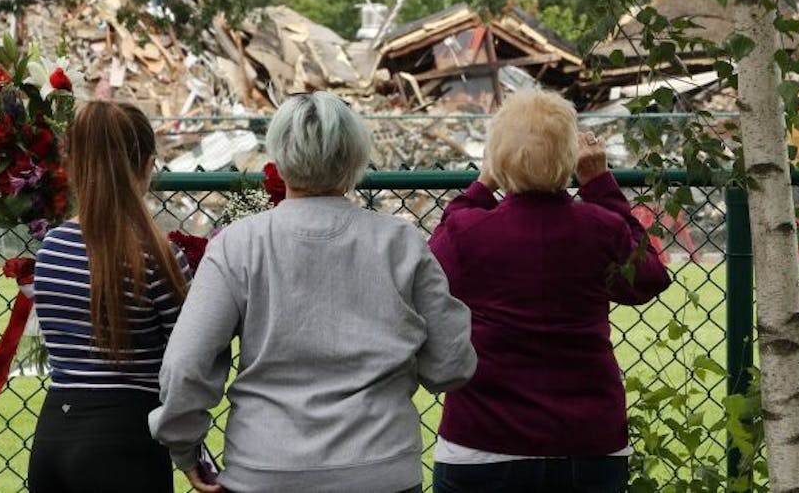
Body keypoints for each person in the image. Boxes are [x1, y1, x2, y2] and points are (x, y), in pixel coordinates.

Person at [149, 91, 477, 493]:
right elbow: (452, 365)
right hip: (379, 468)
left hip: (266, 468)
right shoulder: (400, 243)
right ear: (356, 157)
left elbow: (185, 364)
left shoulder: (239, 244)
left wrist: (185, 446)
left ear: (278, 156)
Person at [429, 89, 673, 493]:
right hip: (587, 440)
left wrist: (482, 185)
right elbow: (648, 277)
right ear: (570, 157)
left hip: (485, 440)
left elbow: (430, 269)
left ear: (497, 157)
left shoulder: (468, 232)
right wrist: (600, 187)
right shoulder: (600, 228)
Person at [28, 101, 190, 493]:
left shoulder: (51, 247)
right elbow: (186, 354)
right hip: (125, 441)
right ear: (148, 164)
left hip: (53, 436)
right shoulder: (156, 255)